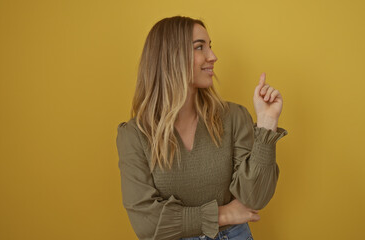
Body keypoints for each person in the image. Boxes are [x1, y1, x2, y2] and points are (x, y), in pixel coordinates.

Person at [116, 15, 288, 240]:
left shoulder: (234, 117)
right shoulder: (134, 135)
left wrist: (267, 124)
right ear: (170, 56)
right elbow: (147, 224)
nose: (213, 56)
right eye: (200, 47)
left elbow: (254, 198)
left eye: (210, 47)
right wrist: (223, 214)